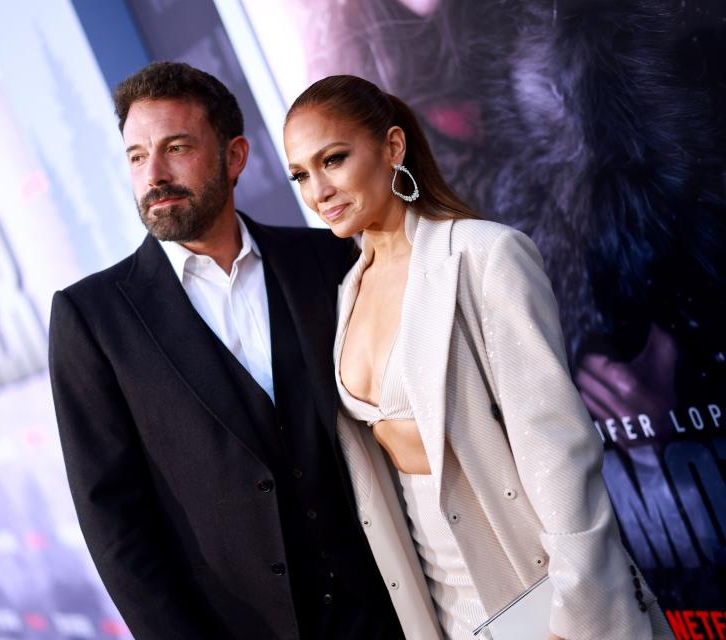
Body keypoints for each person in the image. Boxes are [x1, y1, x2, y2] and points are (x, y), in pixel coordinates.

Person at [283, 74, 674, 639]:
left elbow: (560, 449)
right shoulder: (347, 293)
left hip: (530, 580)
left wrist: (573, 613)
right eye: (300, 174)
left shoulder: (483, 256)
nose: (318, 190)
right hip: (437, 597)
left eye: (334, 159)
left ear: (392, 147)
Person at [48, 62, 405, 639]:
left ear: (234, 156)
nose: (154, 175)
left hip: (389, 610)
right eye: (137, 156)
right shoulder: (91, 319)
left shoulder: (329, 261)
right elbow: (114, 523)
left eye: (177, 147)